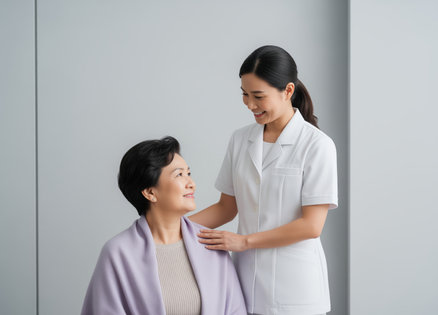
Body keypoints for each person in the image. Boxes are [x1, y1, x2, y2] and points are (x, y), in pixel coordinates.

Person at [189, 45, 338, 315]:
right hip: (244, 282)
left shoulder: (317, 145)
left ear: (288, 91)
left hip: (296, 289)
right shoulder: (240, 139)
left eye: (258, 96)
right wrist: (169, 227)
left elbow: (311, 225)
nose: (249, 105)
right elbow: (226, 207)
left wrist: (243, 242)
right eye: (244, 95)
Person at [81, 136, 246, 315]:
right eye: (179, 175)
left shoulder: (211, 244)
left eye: (188, 173)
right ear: (150, 192)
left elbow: (235, 310)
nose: (191, 184)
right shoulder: (118, 253)